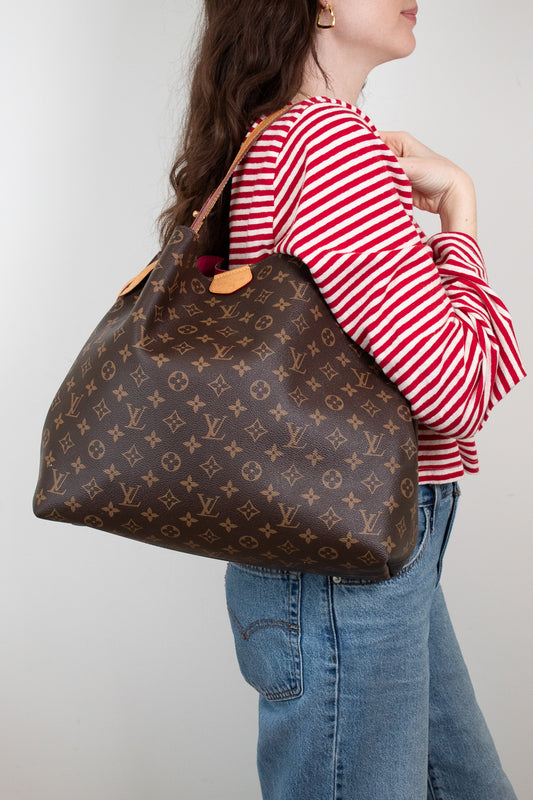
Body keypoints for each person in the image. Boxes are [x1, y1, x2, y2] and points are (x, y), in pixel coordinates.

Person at [158, 1, 525, 797]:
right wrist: (459, 209)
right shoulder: (329, 144)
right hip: (343, 569)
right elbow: (458, 388)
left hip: (353, 552)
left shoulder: (277, 134)